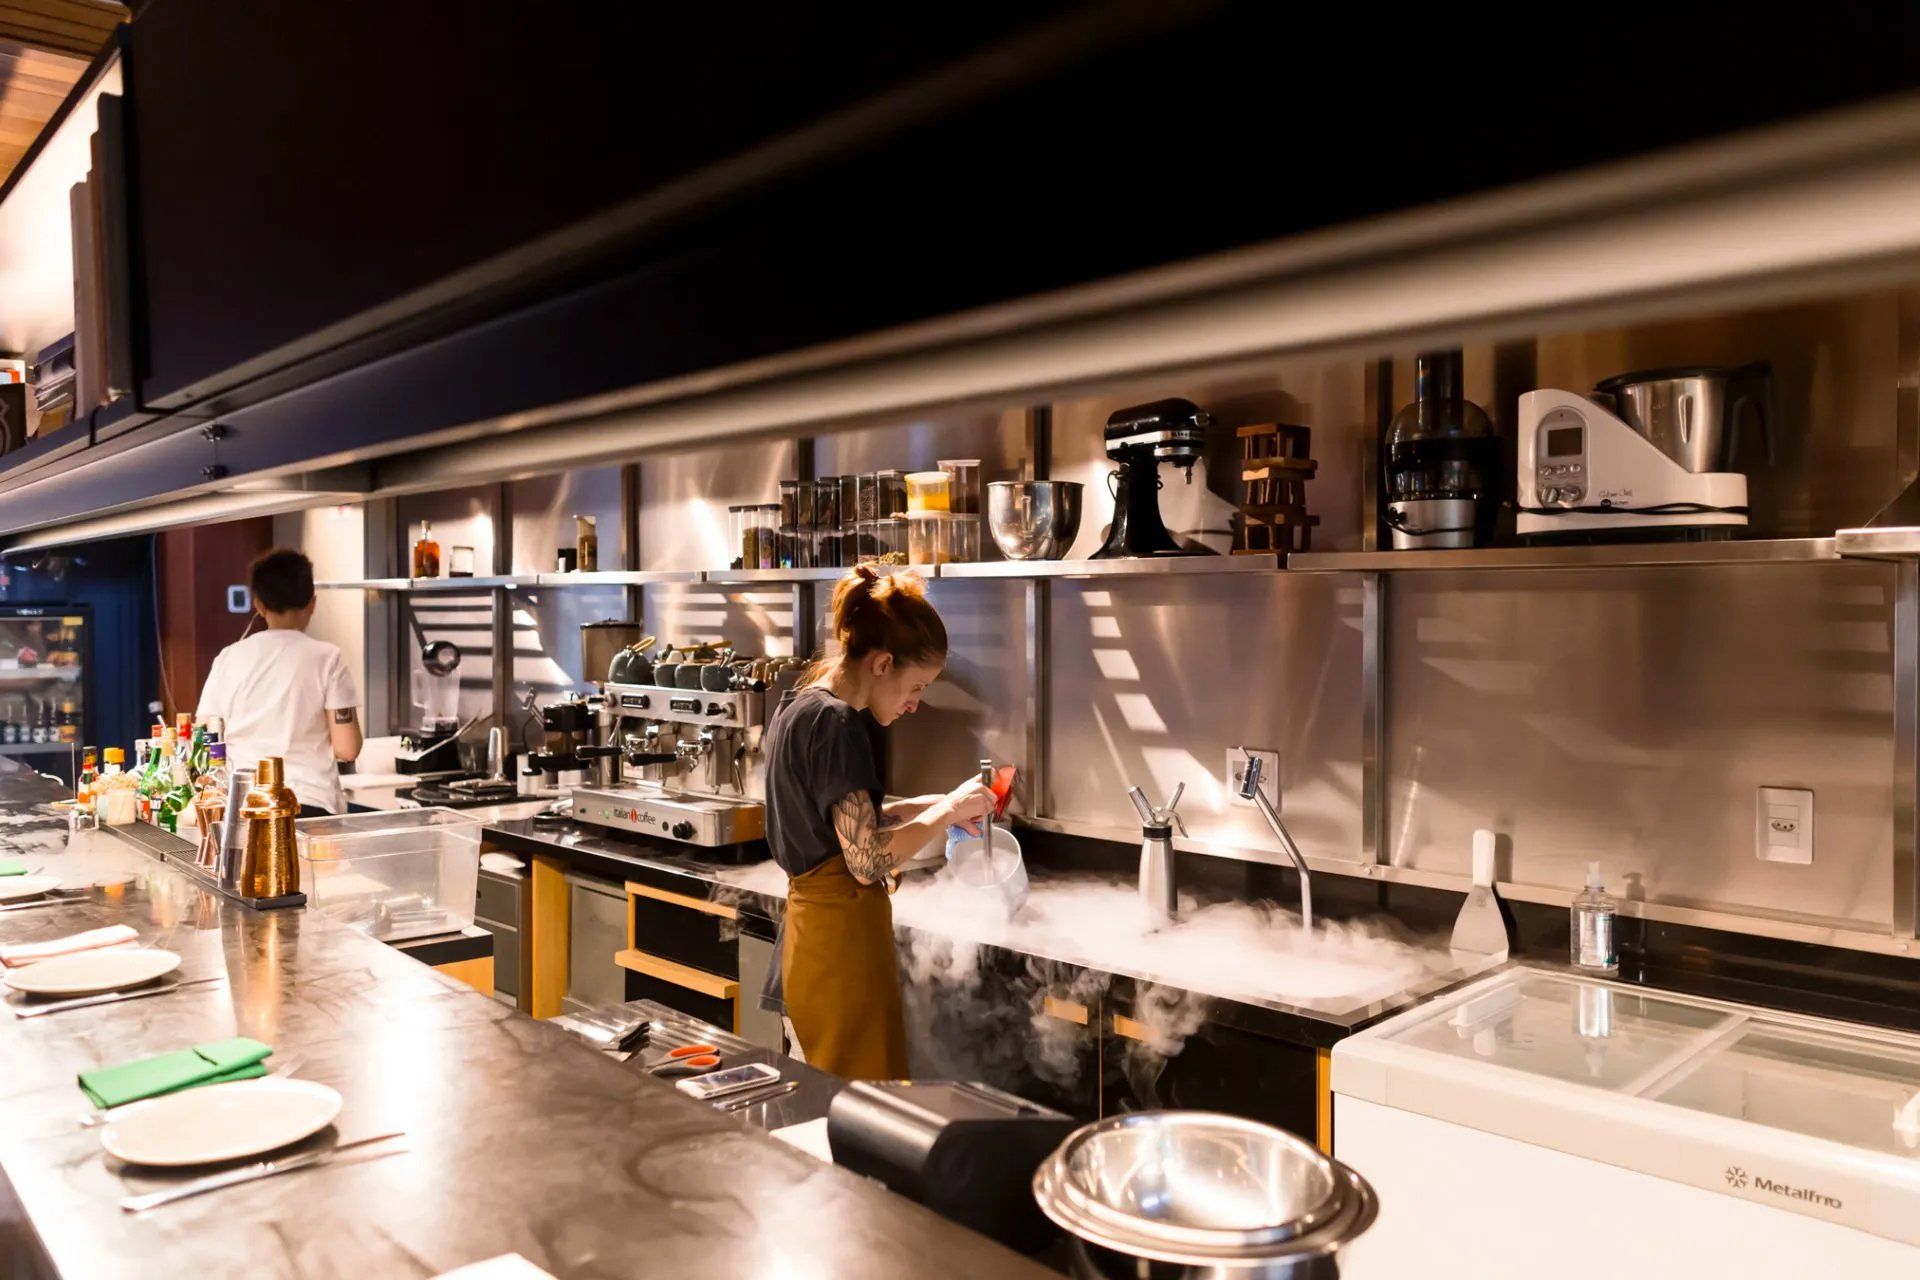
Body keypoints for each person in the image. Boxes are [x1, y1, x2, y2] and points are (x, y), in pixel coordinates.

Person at [761, 564, 997, 1080]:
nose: (915, 704)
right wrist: (946, 813)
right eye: (916, 686)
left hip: (818, 938)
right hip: (837, 951)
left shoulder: (799, 705)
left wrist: (942, 801)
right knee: (856, 1110)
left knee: (831, 1105)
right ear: (884, 663)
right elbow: (866, 860)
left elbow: (843, 824)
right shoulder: (837, 723)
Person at [196, 548, 362, 817]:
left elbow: (204, 736)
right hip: (308, 804)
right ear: (313, 603)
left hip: (242, 804)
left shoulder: (229, 657)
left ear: (259, 604)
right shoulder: (327, 658)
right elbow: (348, 749)